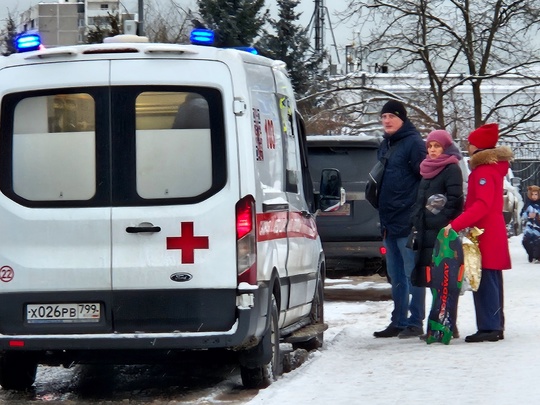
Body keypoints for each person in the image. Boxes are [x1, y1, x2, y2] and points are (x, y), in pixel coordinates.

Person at [444, 123, 513, 343]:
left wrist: (455, 224)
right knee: (490, 278)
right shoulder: (492, 169)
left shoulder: (483, 172)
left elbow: (481, 205)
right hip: (490, 230)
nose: (468, 145)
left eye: (471, 142)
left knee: (482, 278)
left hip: (485, 231)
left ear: (479, 146)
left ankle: (489, 327)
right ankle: (493, 324)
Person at [373, 100, 427, 338]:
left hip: (408, 220)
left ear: (402, 118)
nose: (386, 121)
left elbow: (424, 178)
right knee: (395, 275)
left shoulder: (414, 143)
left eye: (391, 117)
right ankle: (399, 320)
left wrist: (418, 212)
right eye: (383, 117)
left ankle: (415, 321)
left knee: (412, 273)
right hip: (388, 220)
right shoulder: (386, 144)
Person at [410, 129, 464, 339]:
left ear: (446, 147)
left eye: (437, 146)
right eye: (430, 146)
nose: (432, 150)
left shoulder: (451, 168)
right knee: (433, 280)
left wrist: (442, 222)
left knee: (444, 280)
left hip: (441, 233)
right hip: (425, 232)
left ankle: (445, 324)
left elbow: (455, 200)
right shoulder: (426, 169)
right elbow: (421, 200)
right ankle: (436, 324)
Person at [521, 185, 540, 263]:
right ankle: (531, 254)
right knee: (526, 241)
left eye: (536, 194)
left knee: (537, 241)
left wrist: (537, 215)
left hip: (538, 226)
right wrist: (527, 215)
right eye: (532, 194)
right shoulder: (528, 204)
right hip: (529, 226)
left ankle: (537, 256)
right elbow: (522, 214)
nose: (534, 197)